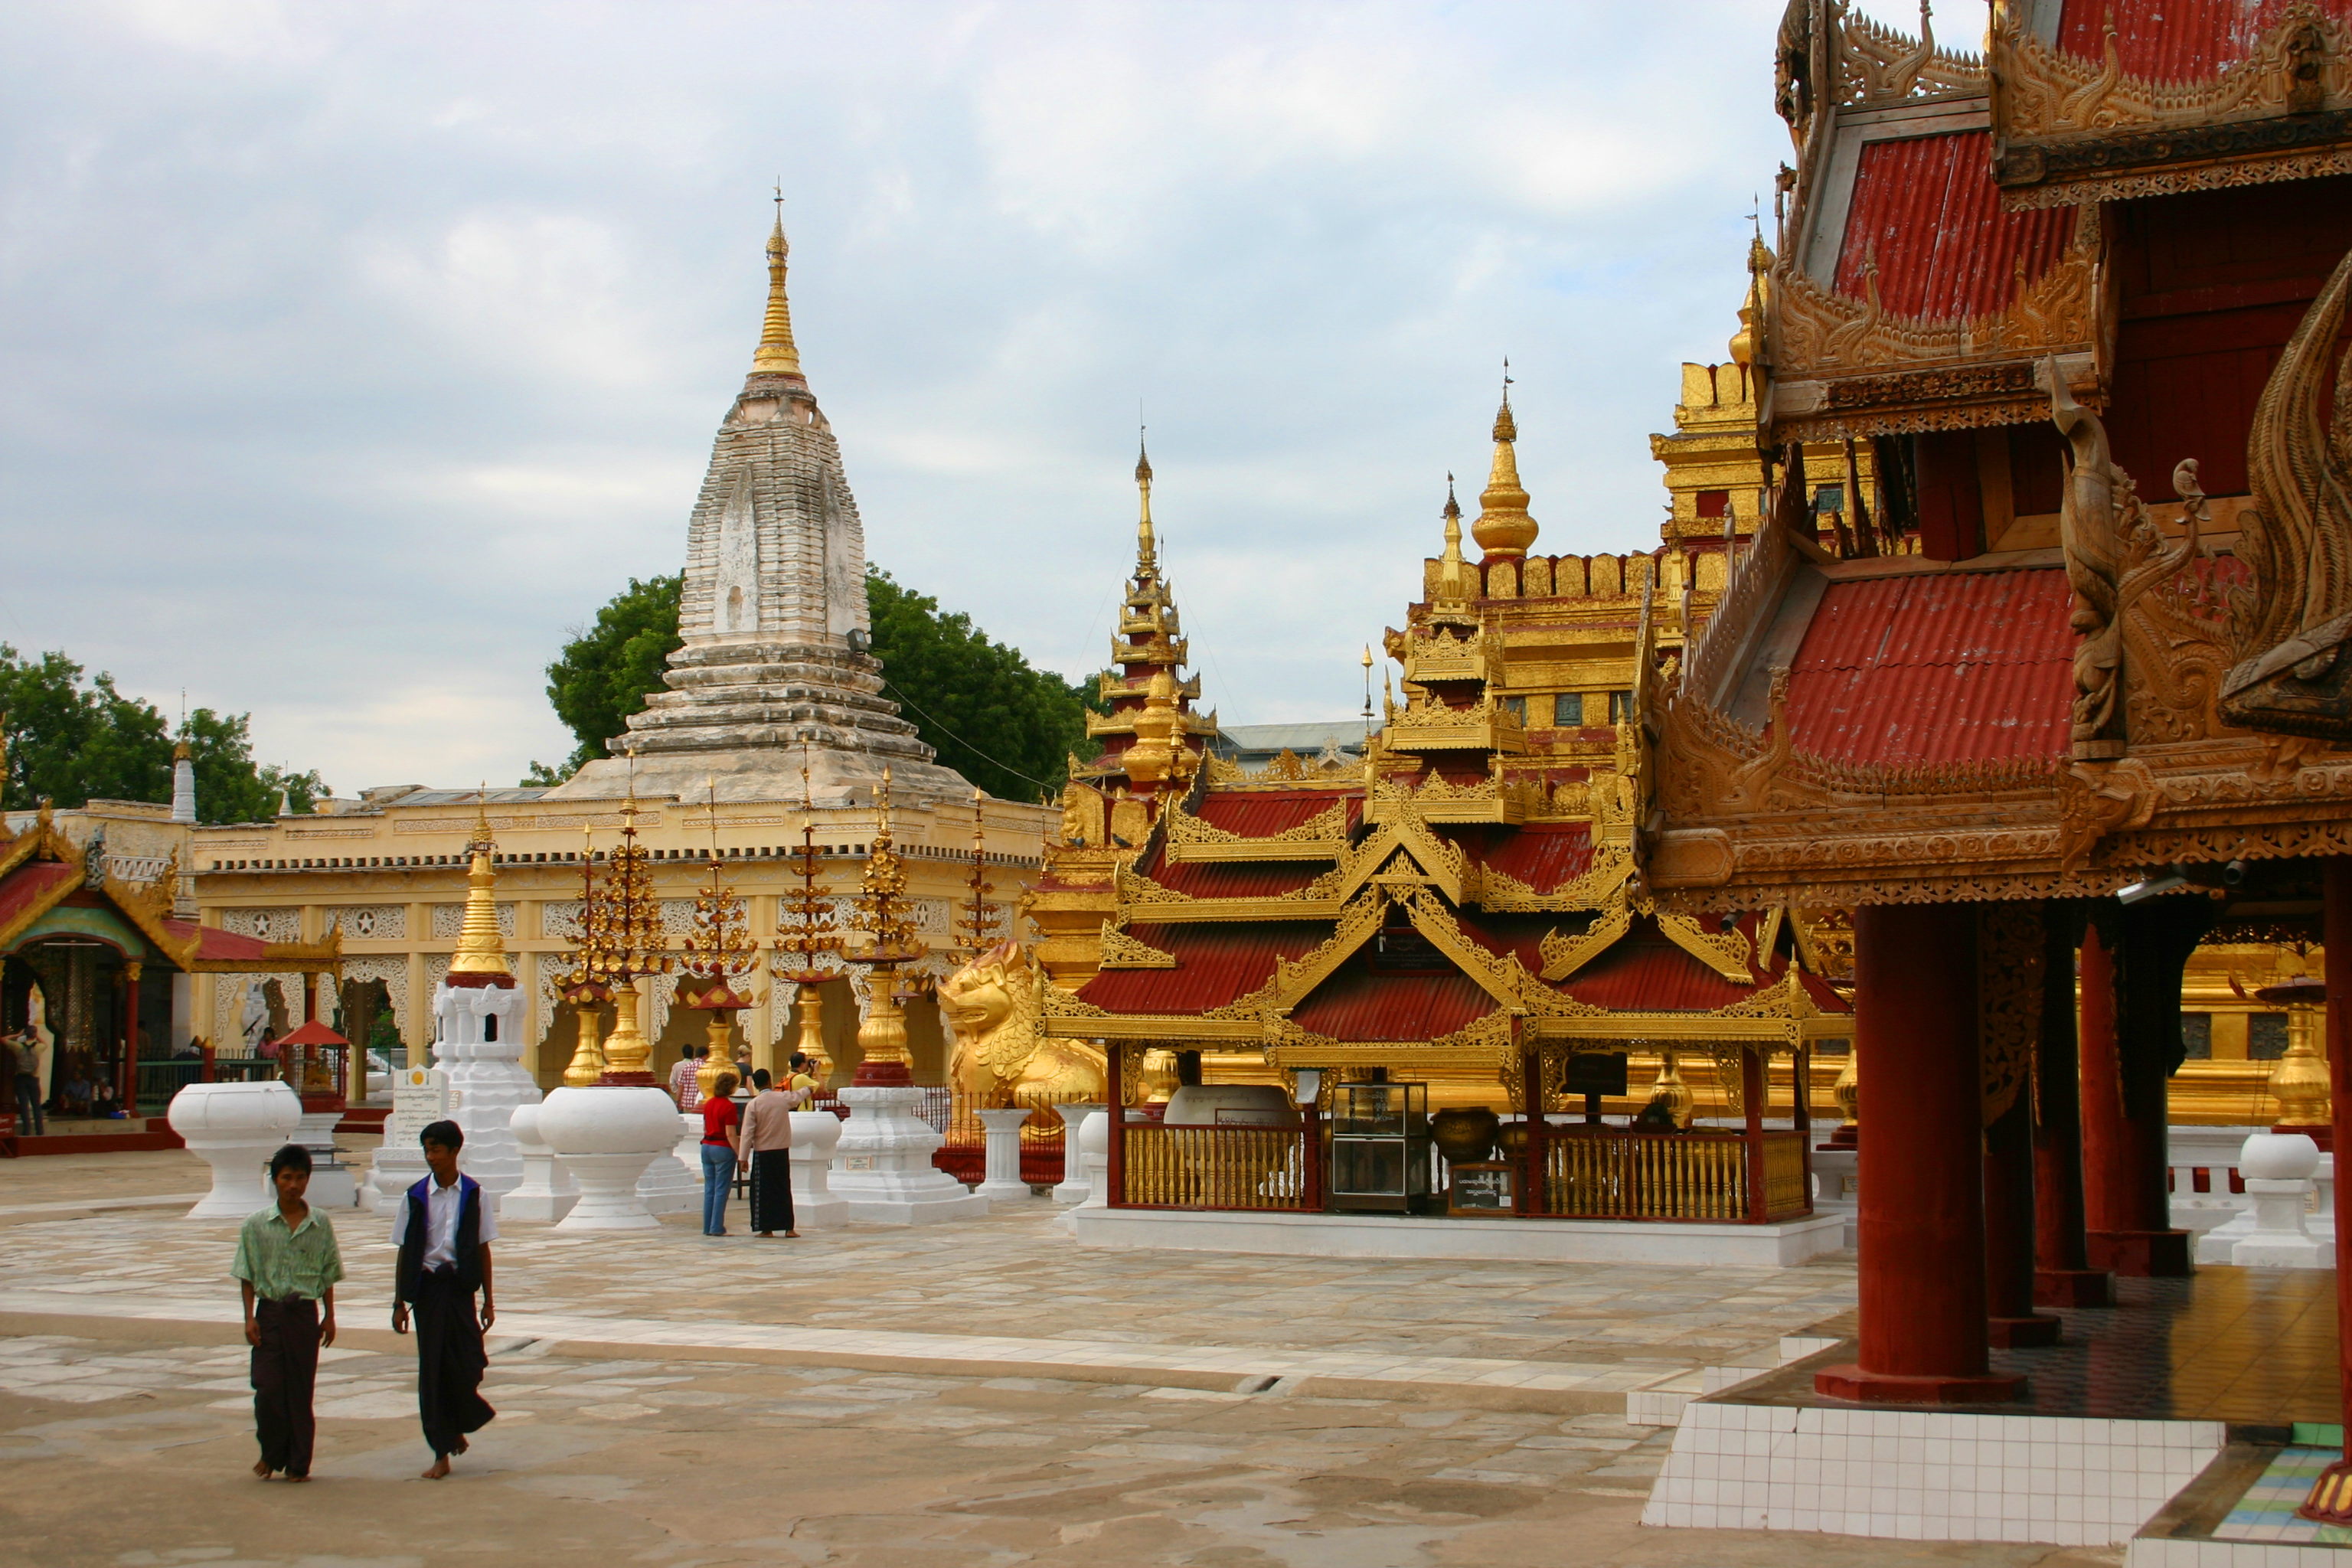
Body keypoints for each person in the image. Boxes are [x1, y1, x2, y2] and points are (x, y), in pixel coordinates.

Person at [391, 1119, 496, 1480]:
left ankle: (456, 1426)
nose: (430, 1157)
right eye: (427, 1150)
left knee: (467, 1363)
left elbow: (482, 1247)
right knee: (433, 1370)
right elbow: (406, 1250)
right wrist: (398, 1302)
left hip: (460, 1287)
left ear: (455, 1152)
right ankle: (441, 1448)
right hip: (428, 1290)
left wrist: (488, 1300)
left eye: (437, 1150)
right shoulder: (415, 1196)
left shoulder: (474, 1195)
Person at [231, 1142, 342, 1481]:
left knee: (299, 1391)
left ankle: (297, 1464)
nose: (293, 1185)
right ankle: (271, 1451)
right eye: (286, 1178)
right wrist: (249, 1316)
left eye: (299, 1178)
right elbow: (247, 1273)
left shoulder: (319, 1223)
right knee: (266, 1389)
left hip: (304, 1314)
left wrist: (330, 1315)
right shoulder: (256, 1225)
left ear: (308, 1180)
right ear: (274, 1180)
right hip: (270, 1314)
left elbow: (328, 1272)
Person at [741, 1068, 803, 1239]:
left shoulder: (754, 1104)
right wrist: (810, 1086)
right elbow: (799, 1096)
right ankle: (789, 1228)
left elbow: (747, 1133)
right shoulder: (782, 1098)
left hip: (763, 1152)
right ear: (769, 1081)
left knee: (763, 1191)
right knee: (783, 1188)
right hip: (781, 1151)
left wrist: (743, 1157)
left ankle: (766, 1228)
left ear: (755, 1085)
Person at [699, 1072, 741, 1236]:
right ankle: (716, 1226)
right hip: (722, 1147)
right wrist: (740, 1155)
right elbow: (730, 1133)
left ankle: (707, 1226)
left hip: (707, 1145)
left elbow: (705, 1127)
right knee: (721, 1189)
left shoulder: (709, 1104)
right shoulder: (729, 1106)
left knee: (710, 1189)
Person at [8, 1030, 42, 1135]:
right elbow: (46, 1043)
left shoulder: (18, 1046)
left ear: (25, 1035)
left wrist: (17, 1035)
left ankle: (26, 1130)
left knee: (24, 1104)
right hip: (33, 1077)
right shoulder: (39, 1047)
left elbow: (3, 1039)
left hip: (21, 1078)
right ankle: (39, 1130)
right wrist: (38, 1036)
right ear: (35, 1034)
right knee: (36, 1105)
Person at [668, 1043, 704, 1111]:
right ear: (693, 1054)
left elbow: (672, 1082)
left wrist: (679, 1095)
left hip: (684, 1100)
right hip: (697, 1099)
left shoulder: (677, 1066)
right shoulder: (699, 1066)